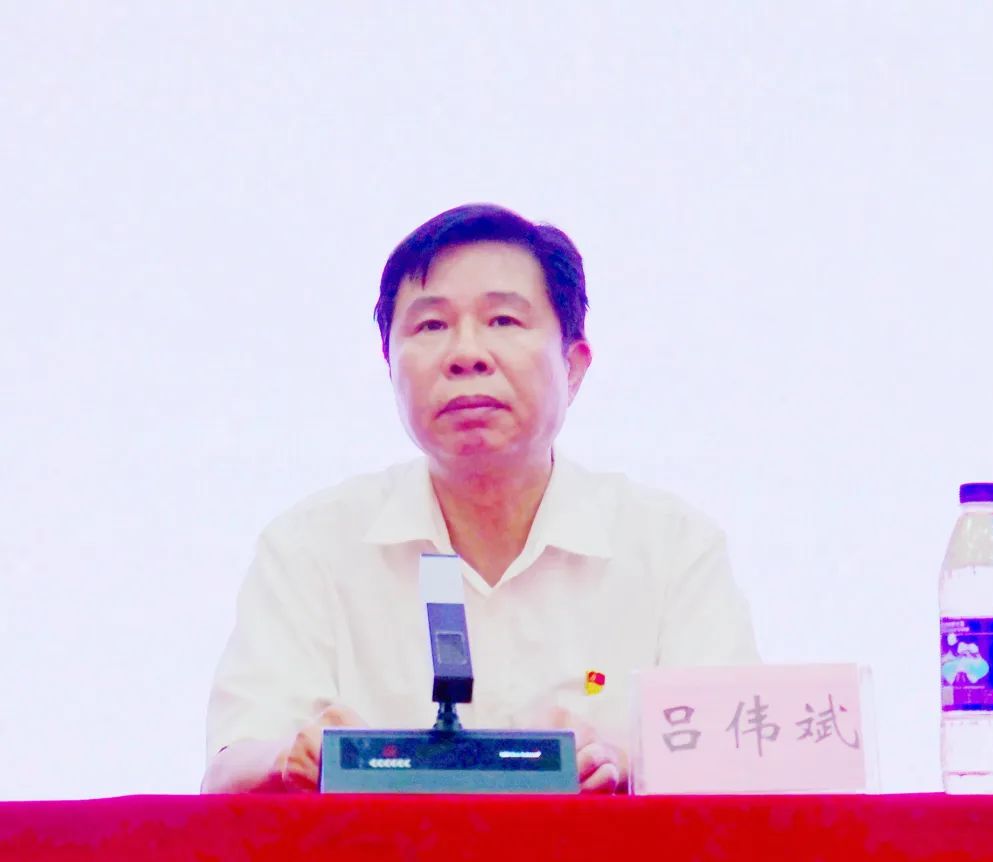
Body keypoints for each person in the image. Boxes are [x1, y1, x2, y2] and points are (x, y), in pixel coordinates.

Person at [201, 203, 759, 795]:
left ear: (573, 366)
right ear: (390, 366)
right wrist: (290, 756)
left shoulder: (672, 549)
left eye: (503, 320)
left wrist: (629, 765)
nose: (466, 353)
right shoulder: (311, 547)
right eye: (430, 326)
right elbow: (229, 767)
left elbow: (742, 771)